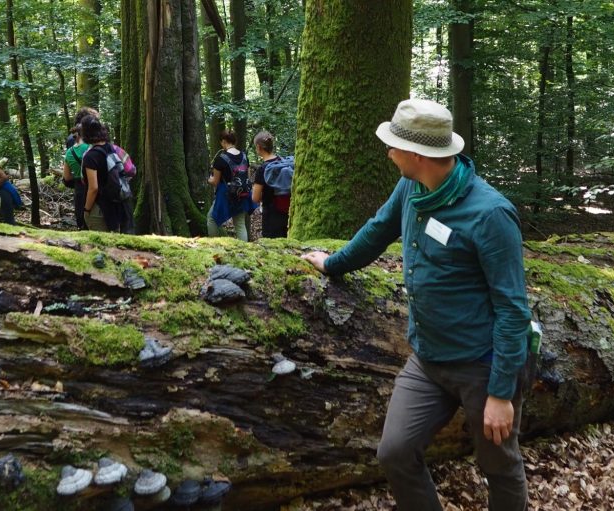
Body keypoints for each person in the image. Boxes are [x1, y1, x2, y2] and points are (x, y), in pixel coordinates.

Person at [301, 98, 531, 511]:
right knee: (395, 452)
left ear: (417, 154)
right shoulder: (411, 187)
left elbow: (513, 309)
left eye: (393, 146)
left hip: (482, 364)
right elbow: (378, 230)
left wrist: (500, 394)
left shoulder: (490, 214)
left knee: (498, 465)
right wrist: (332, 264)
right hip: (428, 359)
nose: (388, 153)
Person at [80, 116, 130, 232]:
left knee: (100, 241)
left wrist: (87, 210)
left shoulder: (90, 156)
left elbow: (93, 188)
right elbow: (130, 170)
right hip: (118, 205)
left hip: (100, 208)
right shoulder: (112, 148)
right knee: (114, 240)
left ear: (85, 133)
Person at [207, 130, 255, 241]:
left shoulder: (220, 159)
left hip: (226, 195)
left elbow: (215, 182)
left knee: (212, 218)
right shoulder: (244, 156)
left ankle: (213, 245)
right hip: (242, 194)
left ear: (224, 141)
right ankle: (244, 249)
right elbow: (247, 177)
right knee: (240, 224)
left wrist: (208, 180)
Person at [252, 131, 292, 238]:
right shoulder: (282, 162)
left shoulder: (262, 169)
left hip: (271, 216)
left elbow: (255, 198)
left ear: (258, 147)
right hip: (288, 212)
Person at [63, 124, 90, 229]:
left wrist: (78, 175)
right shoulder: (90, 148)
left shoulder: (69, 152)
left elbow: (67, 177)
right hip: (93, 185)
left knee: (81, 217)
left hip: (79, 188)